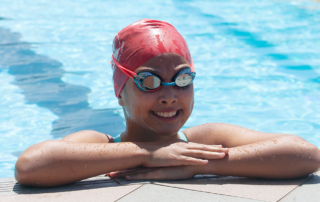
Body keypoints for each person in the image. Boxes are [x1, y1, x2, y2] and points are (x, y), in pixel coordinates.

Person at [15, 19, 320, 187]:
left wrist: (194, 165)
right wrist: (150, 154)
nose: (169, 94)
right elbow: (31, 165)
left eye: (182, 78)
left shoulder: (207, 139)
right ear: (120, 91)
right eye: (149, 81)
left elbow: (306, 155)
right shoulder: (100, 143)